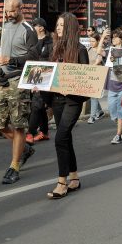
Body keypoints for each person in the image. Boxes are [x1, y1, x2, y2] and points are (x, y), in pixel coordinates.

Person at [0, 0, 39, 184]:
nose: (9, 14)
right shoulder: (4, 26)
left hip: (18, 81)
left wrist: (10, 60)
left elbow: (34, 56)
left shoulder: (29, 30)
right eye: (7, 11)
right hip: (1, 81)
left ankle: (14, 166)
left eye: (12, 11)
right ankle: (25, 149)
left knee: (19, 125)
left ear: (22, 8)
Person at [43, 13, 88, 199]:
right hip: (56, 100)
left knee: (60, 139)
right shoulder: (54, 48)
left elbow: (86, 81)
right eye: (57, 24)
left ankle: (62, 183)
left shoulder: (80, 49)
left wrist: (69, 89)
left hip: (73, 100)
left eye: (62, 25)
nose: (58, 27)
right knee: (66, 139)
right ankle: (75, 179)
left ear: (69, 27)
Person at [105, 30, 122, 144]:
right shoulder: (110, 51)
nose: (113, 39)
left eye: (116, 37)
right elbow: (98, 51)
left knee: (121, 110)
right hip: (112, 85)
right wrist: (103, 37)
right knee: (111, 110)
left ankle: (118, 134)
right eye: (112, 37)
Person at [85, 32, 106, 123]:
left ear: (98, 41)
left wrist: (89, 68)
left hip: (98, 74)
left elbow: (97, 62)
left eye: (93, 41)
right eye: (90, 41)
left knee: (93, 96)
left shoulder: (100, 50)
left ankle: (92, 117)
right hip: (89, 74)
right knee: (91, 95)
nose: (91, 43)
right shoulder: (88, 49)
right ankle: (100, 112)